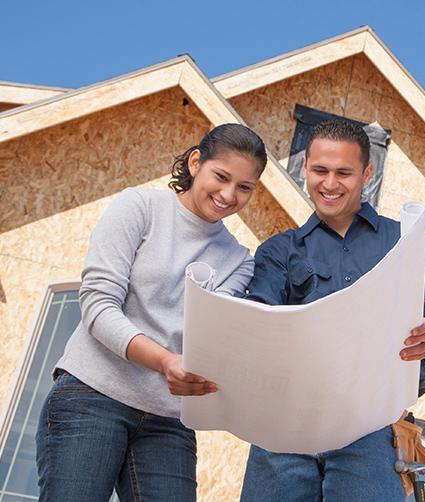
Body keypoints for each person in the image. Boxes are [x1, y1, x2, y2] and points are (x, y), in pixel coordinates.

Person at [239, 120, 425, 501]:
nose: (330, 184)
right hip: (285, 425)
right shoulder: (278, 252)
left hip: (372, 427)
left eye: (343, 172)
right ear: (304, 169)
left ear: (367, 173)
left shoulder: (410, 245)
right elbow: (255, 327)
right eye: (320, 171)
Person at [36, 123, 268, 502]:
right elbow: (97, 306)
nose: (229, 195)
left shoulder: (239, 260)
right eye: (221, 177)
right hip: (92, 396)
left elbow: (207, 339)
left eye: (245, 187)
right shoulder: (139, 208)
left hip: (167, 421)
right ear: (196, 163)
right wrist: (163, 361)